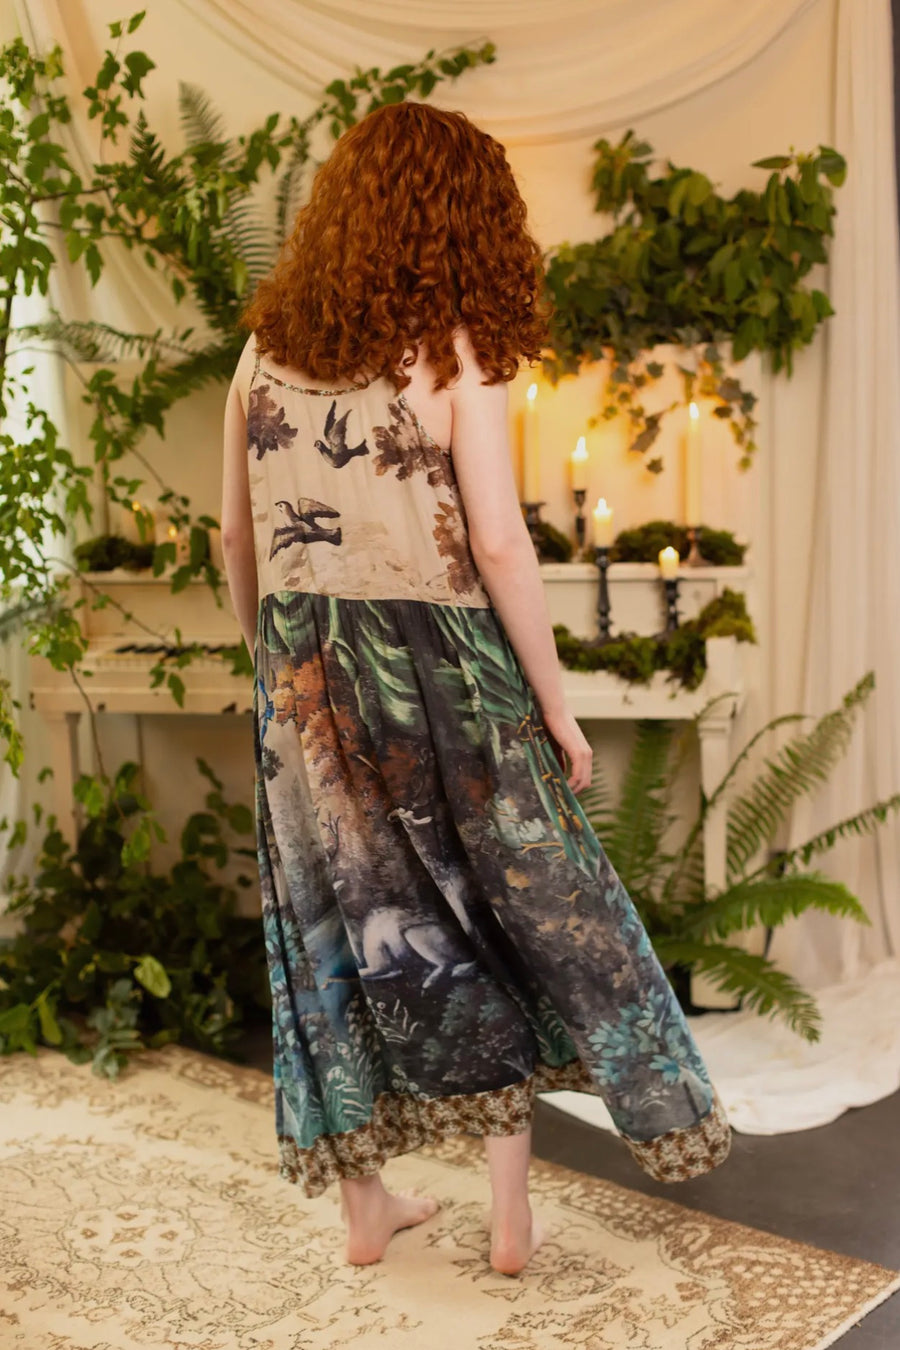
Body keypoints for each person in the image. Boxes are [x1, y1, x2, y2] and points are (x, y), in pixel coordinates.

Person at [221, 100, 731, 1278]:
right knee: (498, 906)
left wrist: (277, 670)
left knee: (330, 930)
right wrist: (554, 704)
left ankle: (365, 1212)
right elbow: (499, 542)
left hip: (301, 677)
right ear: (463, 218)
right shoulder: (452, 350)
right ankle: (508, 1221)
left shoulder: (260, 354)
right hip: (443, 669)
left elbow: (235, 540)